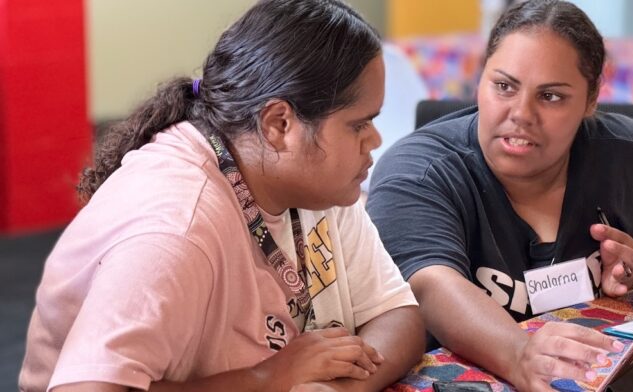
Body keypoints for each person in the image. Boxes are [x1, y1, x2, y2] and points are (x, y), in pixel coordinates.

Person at [19, 1, 424, 391]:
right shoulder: (177, 228)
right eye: (359, 125)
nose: (375, 140)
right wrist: (267, 380)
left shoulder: (318, 185)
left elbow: (397, 315)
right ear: (279, 124)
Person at [365, 0, 633, 391]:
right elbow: (429, 286)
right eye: (504, 86)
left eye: (550, 96)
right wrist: (520, 353)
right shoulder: (418, 171)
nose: (521, 113)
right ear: (479, 81)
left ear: (591, 99)